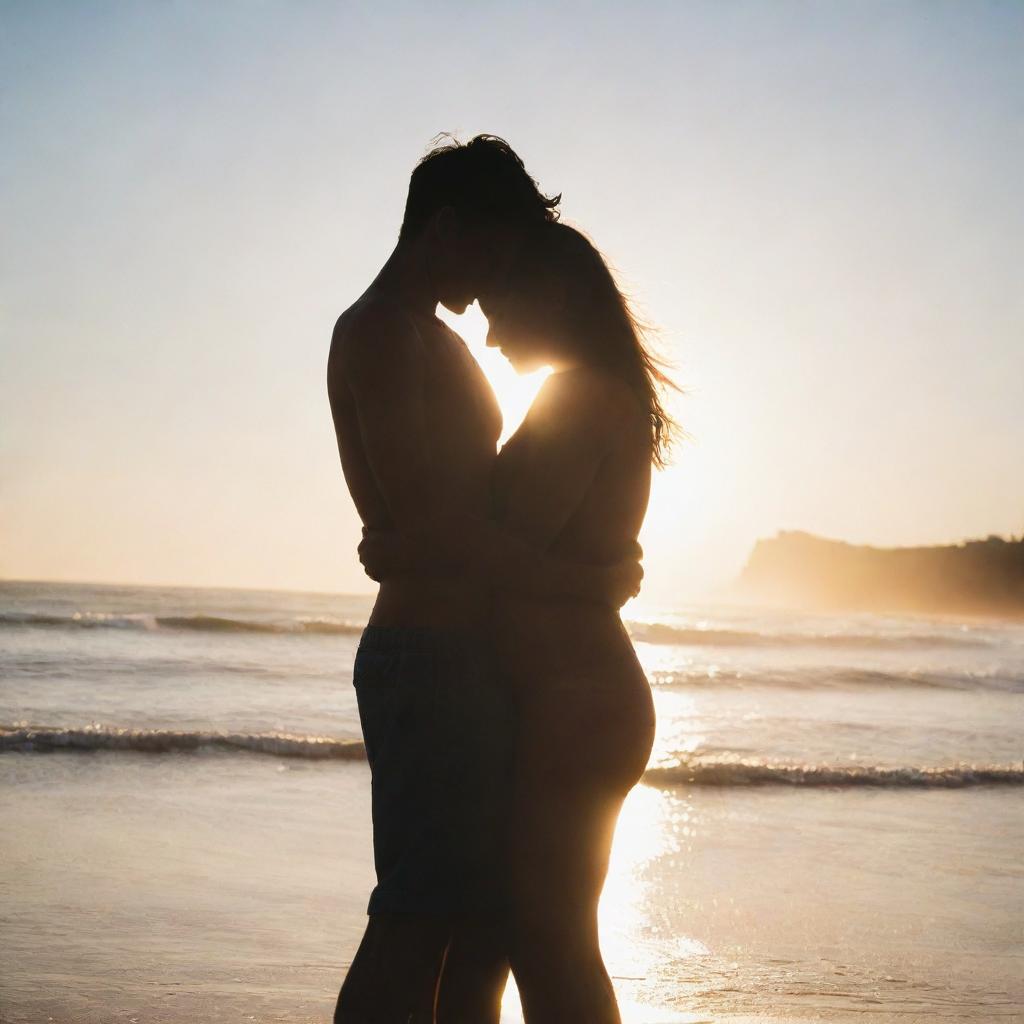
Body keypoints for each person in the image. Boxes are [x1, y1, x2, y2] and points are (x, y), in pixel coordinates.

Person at [328, 137, 641, 1024]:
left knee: (477, 926)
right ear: (449, 225)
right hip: (427, 657)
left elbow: (451, 521)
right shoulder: (382, 332)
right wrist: (592, 582)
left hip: (466, 659)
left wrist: (423, 544)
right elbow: (434, 522)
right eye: (495, 247)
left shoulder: (433, 339)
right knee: (416, 918)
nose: (500, 274)